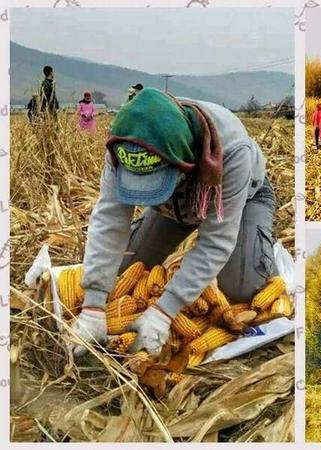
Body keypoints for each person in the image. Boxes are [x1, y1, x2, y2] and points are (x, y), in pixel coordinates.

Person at [68, 88, 278, 357]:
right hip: (172, 207)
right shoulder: (123, 145)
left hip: (241, 198)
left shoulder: (232, 151)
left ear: (184, 163)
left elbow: (216, 239)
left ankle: (254, 247)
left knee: (241, 287)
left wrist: (164, 311)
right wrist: (93, 306)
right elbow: (110, 220)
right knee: (126, 270)